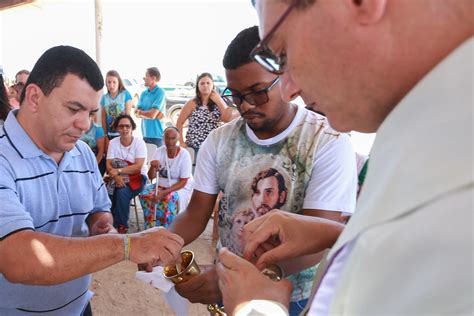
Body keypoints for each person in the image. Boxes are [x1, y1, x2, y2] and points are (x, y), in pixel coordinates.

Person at [216, 1, 473, 315]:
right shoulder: (429, 134)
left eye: (283, 53)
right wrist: (338, 235)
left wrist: (254, 308)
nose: (289, 88)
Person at [168, 26, 357, 316]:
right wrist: (164, 241)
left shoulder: (328, 141)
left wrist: (242, 277)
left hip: (295, 297)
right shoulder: (219, 141)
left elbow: (317, 239)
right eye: (236, 95)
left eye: (257, 93)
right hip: (229, 284)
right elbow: (196, 214)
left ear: (287, 78)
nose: (245, 106)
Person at [0, 46, 184, 315]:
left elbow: (98, 209)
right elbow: (20, 259)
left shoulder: (82, 152)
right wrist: (127, 245)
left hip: (79, 306)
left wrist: (100, 222)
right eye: (74, 109)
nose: (85, 125)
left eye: (90, 113)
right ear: (35, 97)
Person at [139, 126, 193, 229]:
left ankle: (167, 229)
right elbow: (151, 177)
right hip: (161, 184)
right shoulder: (159, 151)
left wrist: (164, 192)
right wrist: (153, 166)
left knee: (167, 199)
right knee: (144, 194)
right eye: (167, 138)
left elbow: (183, 182)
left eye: (173, 138)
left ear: (177, 139)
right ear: (163, 138)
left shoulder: (184, 155)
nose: (170, 141)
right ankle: (151, 226)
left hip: (177, 187)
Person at [106, 114, 147, 234]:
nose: (124, 129)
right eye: (121, 126)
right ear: (117, 128)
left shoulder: (139, 143)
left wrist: (118, 172)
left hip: (138, 178)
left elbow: (138, 167)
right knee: (105, 191)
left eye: (127, 126)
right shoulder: (113, 142)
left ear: (132, 127)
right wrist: (116, 177)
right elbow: (108, 165)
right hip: (116, 177)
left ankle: (121, 226)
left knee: (121, 192)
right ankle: (108, 222)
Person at [176, 72, 233, 155]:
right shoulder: (191, 103)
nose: (205, 85)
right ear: (198, 86)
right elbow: (179, 122)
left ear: (213, 85)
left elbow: (227, 119)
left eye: (208, 83)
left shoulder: (220, 102)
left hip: (214, 146)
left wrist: (219, 101)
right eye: (202, 83)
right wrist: (181, 142)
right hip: (194, 146)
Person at [135, 67, 166, 147]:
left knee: (157, 159)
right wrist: (147, 113)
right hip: (145, 134)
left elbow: (152, 115)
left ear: (153, 78)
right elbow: (135, 112)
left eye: (146, 75)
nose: (143, 78)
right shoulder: (143, 93)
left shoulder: (160, 92)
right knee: (147, 159)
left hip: (157, 136)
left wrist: (141, 113)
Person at [100, 70, 133, 140]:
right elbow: (103, 118)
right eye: (109, 82)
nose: (111, 85)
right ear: (106, 83)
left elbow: (128, 116)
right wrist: (105, 135)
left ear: (119, 82)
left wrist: (129, 134)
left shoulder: (125, 94)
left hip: (123, 134)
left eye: (114, 82)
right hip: (110, 135)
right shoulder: (104, 98)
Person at [81, 111, 106, 175]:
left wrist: (93, 166)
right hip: (81, 160)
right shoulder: (78, 128)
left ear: (92, 116)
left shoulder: (98, 129)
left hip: (95, 159)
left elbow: (101, 151)